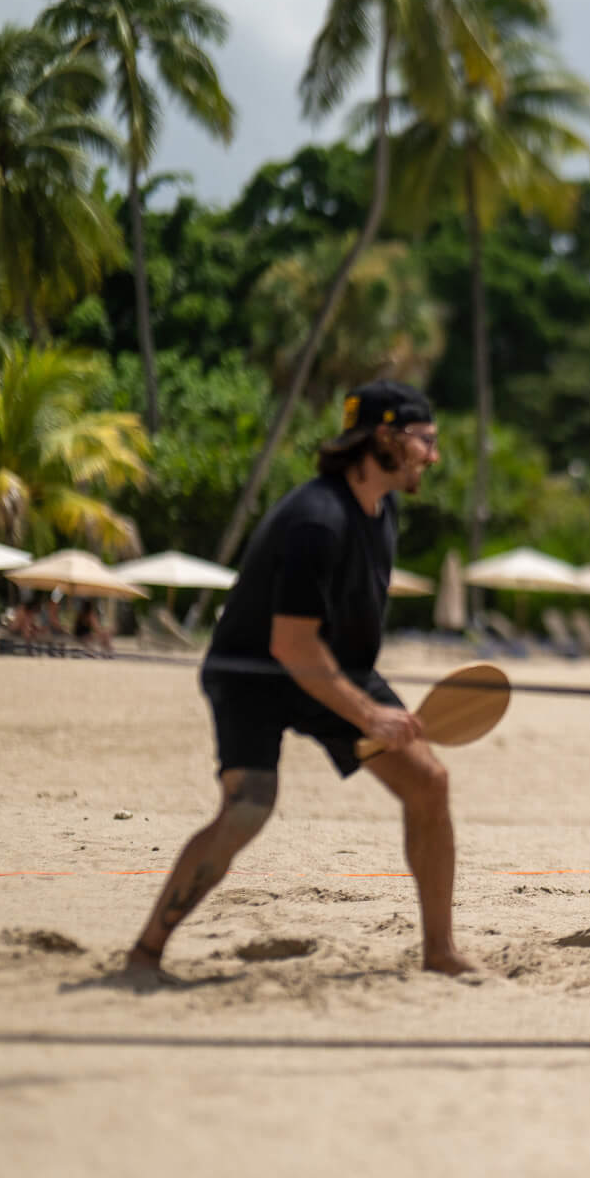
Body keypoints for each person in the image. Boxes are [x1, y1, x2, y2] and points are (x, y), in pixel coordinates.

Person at [125, 381, 478, 977]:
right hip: (252, 675)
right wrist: (369, 716)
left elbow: (332, 638)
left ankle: (440, 952)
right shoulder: (317, 521)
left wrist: (366, 705)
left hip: (333, 668)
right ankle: (145, 953)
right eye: (426, 441)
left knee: (429, 783)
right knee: (248, 808)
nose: (433, 457)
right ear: (385, 440)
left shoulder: (383, 509)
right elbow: (290, 643)